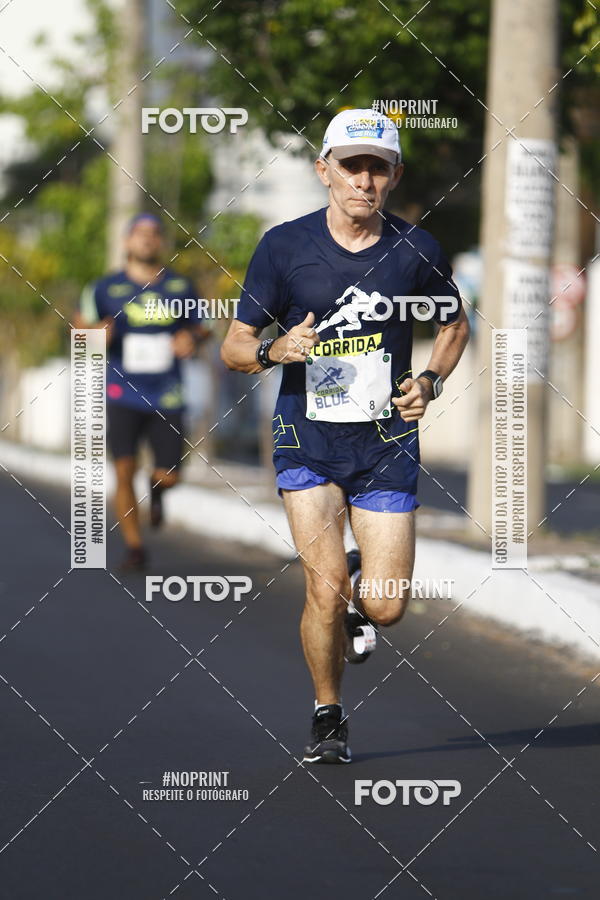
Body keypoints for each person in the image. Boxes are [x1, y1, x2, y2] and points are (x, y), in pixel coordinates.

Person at [221, 108, 470, 763]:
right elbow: (235, 347)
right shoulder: (283, 247)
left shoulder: (417, 250)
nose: (363, 179)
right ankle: (328, 713)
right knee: (323, 585)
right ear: (323, 170)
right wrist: (277, 351)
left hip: (385, 444)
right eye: (351, 165)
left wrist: (432, 382)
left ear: (393, 176)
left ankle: (364, 590)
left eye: (377, 167)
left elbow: (453, 325)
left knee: (386, 609)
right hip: (307, 440)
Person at [74, 213, 208, 571]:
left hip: (169, 393)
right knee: (123, 470)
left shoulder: (180, 288)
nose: (147, 240)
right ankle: (135, 547)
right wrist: (96, 333)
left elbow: (204, 327)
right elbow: (80, 330)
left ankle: (159, 489)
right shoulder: (104, 288)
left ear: (161, 243)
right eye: (139, 234)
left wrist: (191, 338)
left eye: (154, 234)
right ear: (126, 242)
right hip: (122, 394)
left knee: (171, 473)